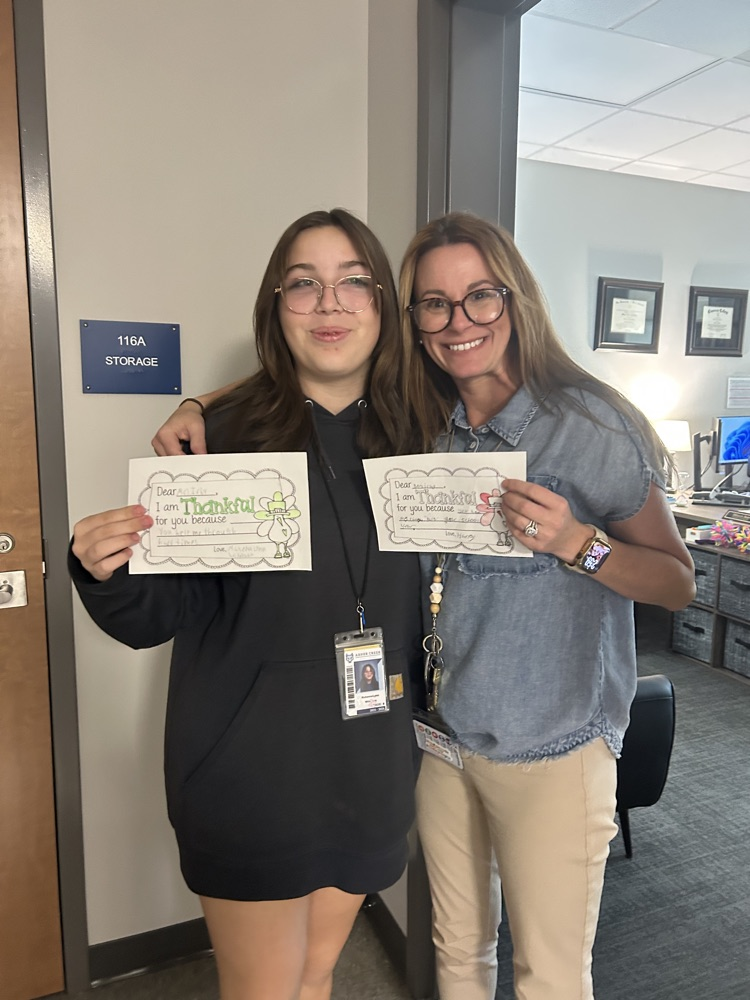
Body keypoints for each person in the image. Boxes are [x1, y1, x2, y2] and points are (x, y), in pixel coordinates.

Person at [151, 212, 695, 1000]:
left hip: (551, 741)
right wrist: (197, 403)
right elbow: (311, 369)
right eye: (434, 304)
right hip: (441, 738)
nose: (458, 321)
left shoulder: (590, 424)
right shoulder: (421, 419)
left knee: (548, 975)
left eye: (481, 296)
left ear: (516, 299)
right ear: (411, 321)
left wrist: (581, 544)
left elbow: (678, 582)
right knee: (456, 954)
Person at [68, 209, 444, 1000]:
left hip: (370, 764)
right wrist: (104, 571)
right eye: (304, 284)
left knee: (317, 975)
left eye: (353, 283)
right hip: (250, 772)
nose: (329, 303)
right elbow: (153, 616)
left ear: (384, 304)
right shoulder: (220, 438)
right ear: (277, 306)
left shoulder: (422, 438)